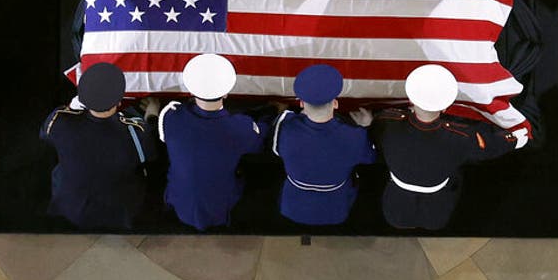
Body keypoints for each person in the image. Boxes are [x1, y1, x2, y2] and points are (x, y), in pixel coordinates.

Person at [372, 64, 529, 230]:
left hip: (397, 202)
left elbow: (373, 132)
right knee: (434, 224)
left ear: (411, 100)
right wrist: (514, 140)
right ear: (446, 107)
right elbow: (488, 147)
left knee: (397, 221)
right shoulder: (460, 136)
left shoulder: (387, 123)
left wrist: (368, 122)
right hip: (437, 203)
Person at [40, 62, 159, 230]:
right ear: (119, 102)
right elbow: (150, 153)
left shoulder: (60, 121)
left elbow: (45, 135)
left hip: (70, 209)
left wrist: (73, 108)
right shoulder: (136, 132)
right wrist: (152, 115)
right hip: (120, 214)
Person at [158, 53, 267, 230]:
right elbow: (258, 143)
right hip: (221, 206)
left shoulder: (171, 116)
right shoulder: (241, 127)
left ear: (191, 92)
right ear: (226, 93)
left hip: (179, 200)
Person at [272, 64, 376, 226]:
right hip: (336, 208)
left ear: (301, 103)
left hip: (292, 205)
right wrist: (366, 127)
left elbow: (277, 148)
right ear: (335, 103)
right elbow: (369, 157)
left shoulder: (286, 127)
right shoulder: (355, 136)